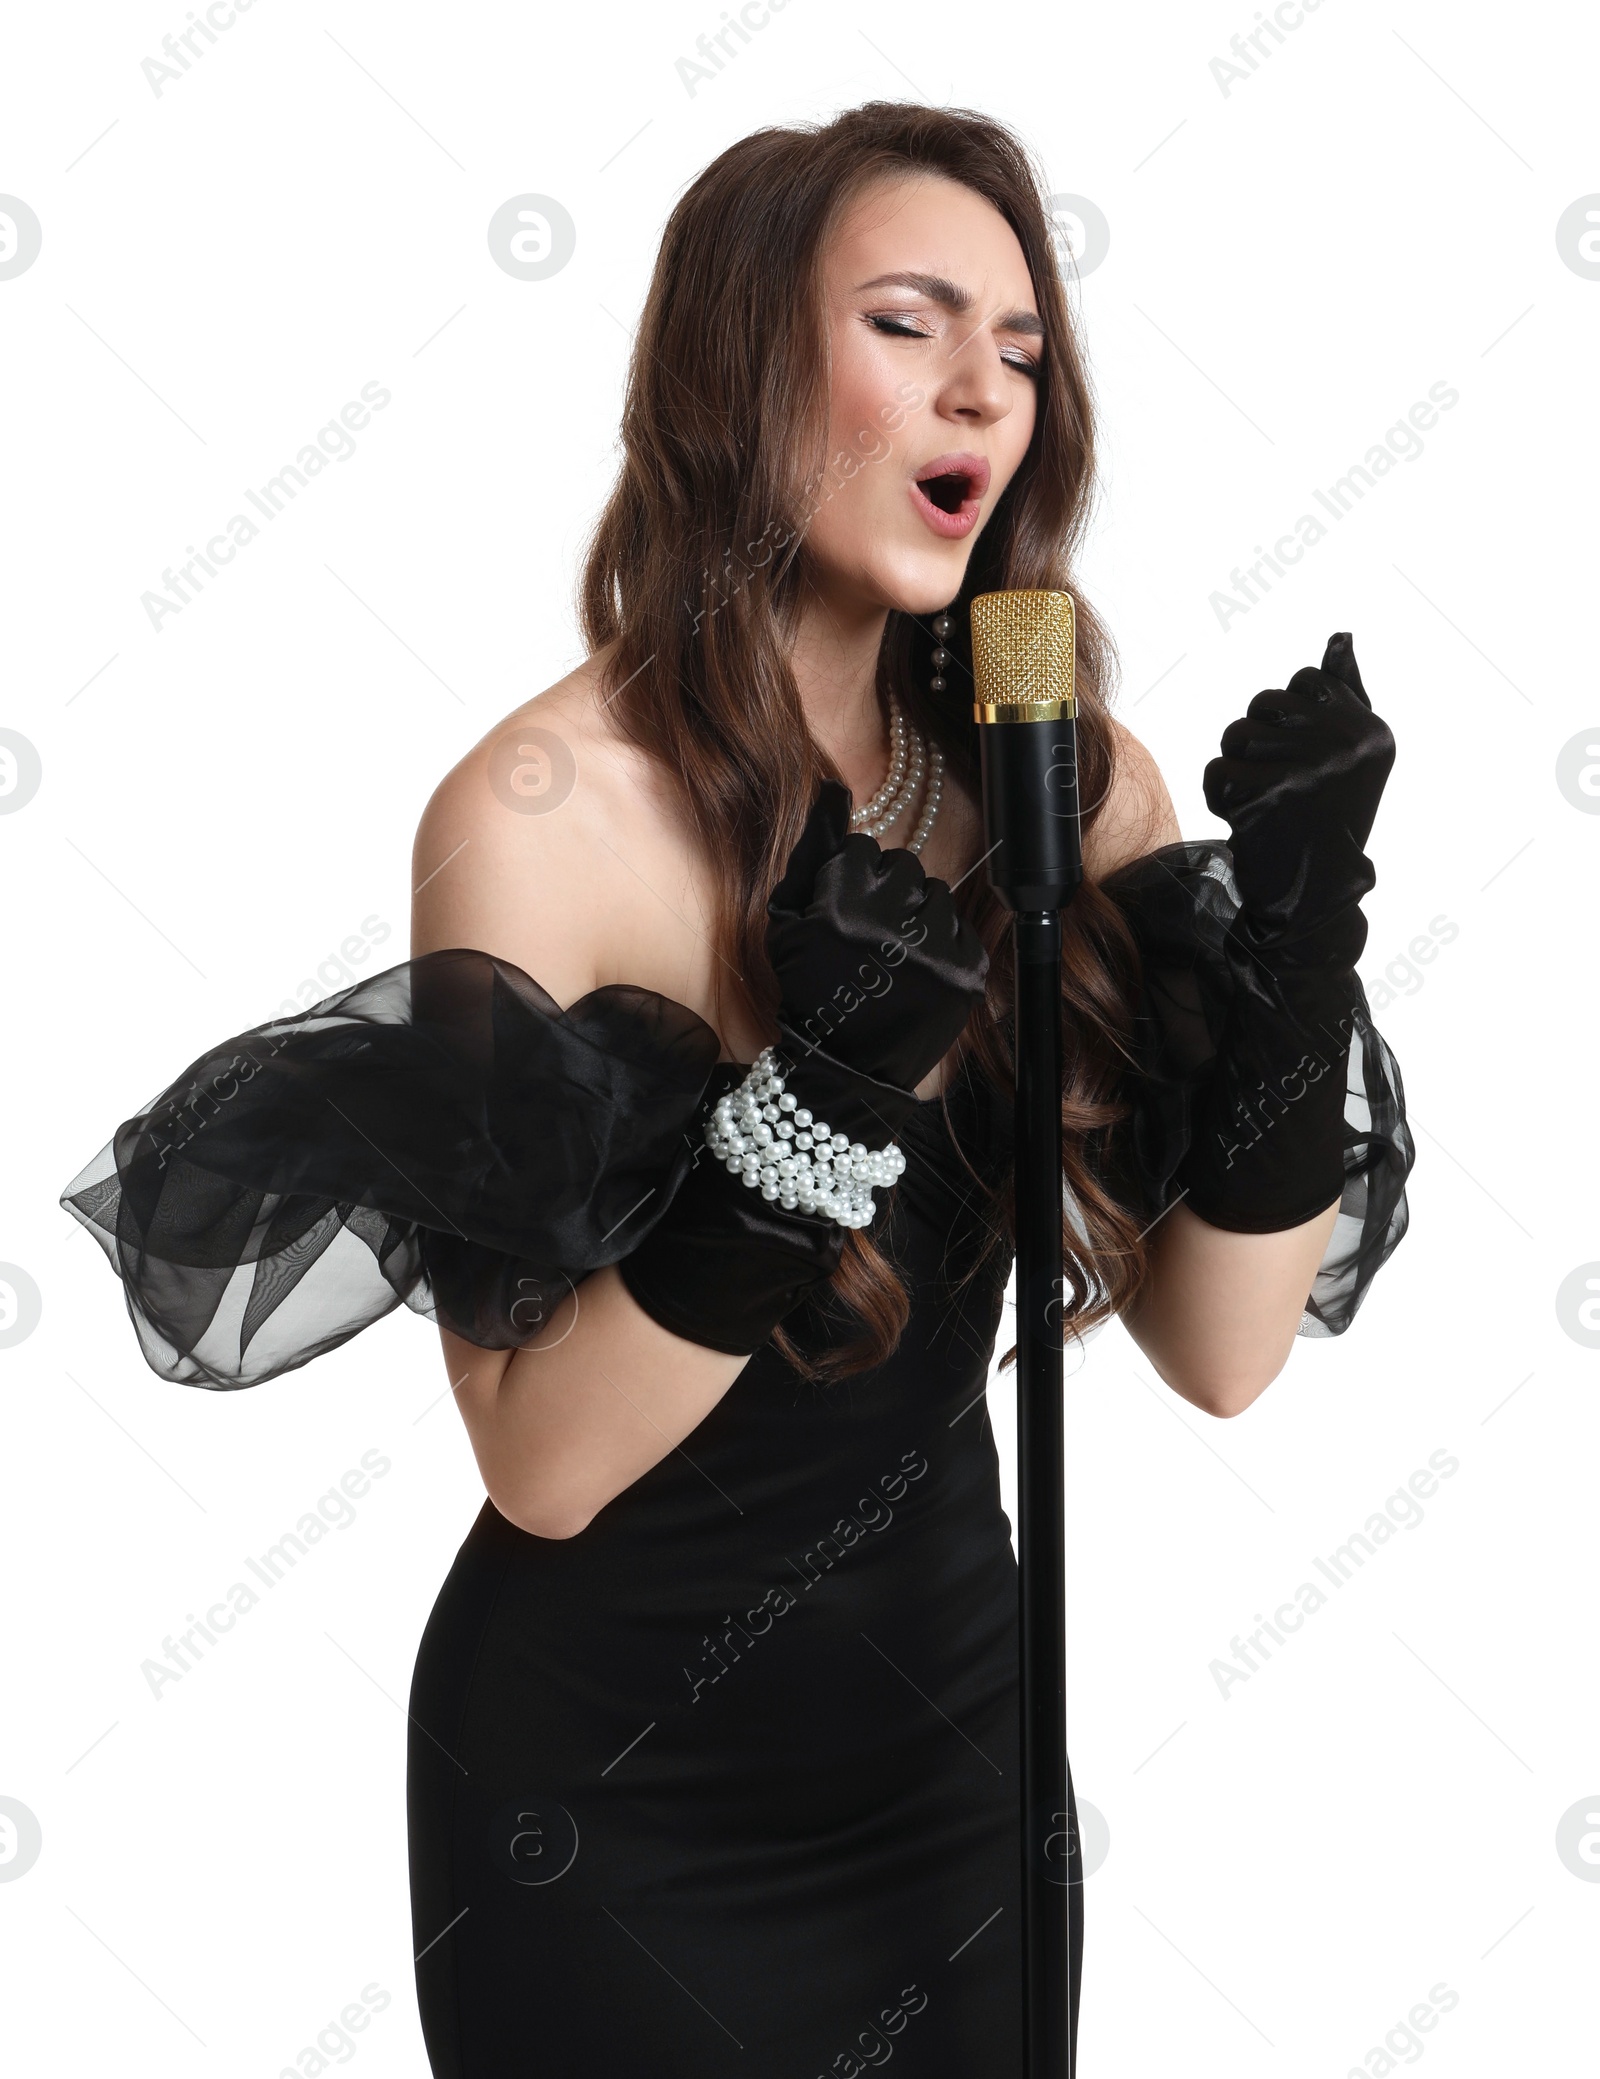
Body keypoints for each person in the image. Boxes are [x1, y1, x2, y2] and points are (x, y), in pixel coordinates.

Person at [61, 102, 1412, 2077]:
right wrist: (822, 1088)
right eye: (906, 322)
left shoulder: (1059, 772)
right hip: (610, 1806)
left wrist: (1295, 956)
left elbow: (1222, 1353)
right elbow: (544, 1460)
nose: (982, 388)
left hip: (950, 1760)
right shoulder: (546, 812)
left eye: (1022, 348)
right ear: (741, 366)